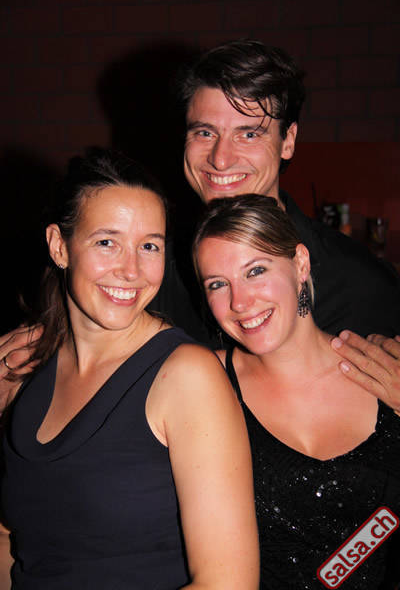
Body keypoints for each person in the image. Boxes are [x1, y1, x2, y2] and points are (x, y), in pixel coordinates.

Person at [2, 42, 400, 405]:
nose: (221, 159)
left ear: (289, 140)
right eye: (205, 132)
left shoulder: (361, 286)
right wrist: (44, 348)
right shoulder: (146, 271)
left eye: (249, 134)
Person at [0, 149, 259, 590]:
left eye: (149, 246)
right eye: (107, 242)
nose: (131, 270)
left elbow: (227, 583)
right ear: (59, 246)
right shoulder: (26, 370)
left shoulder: (186, 376)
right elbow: (15, 544)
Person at [193, 194, 400, 590]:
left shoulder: (385, 373)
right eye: (218, 284)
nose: (240, 302)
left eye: (256, 271)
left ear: (300, 264)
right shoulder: (202, 380)